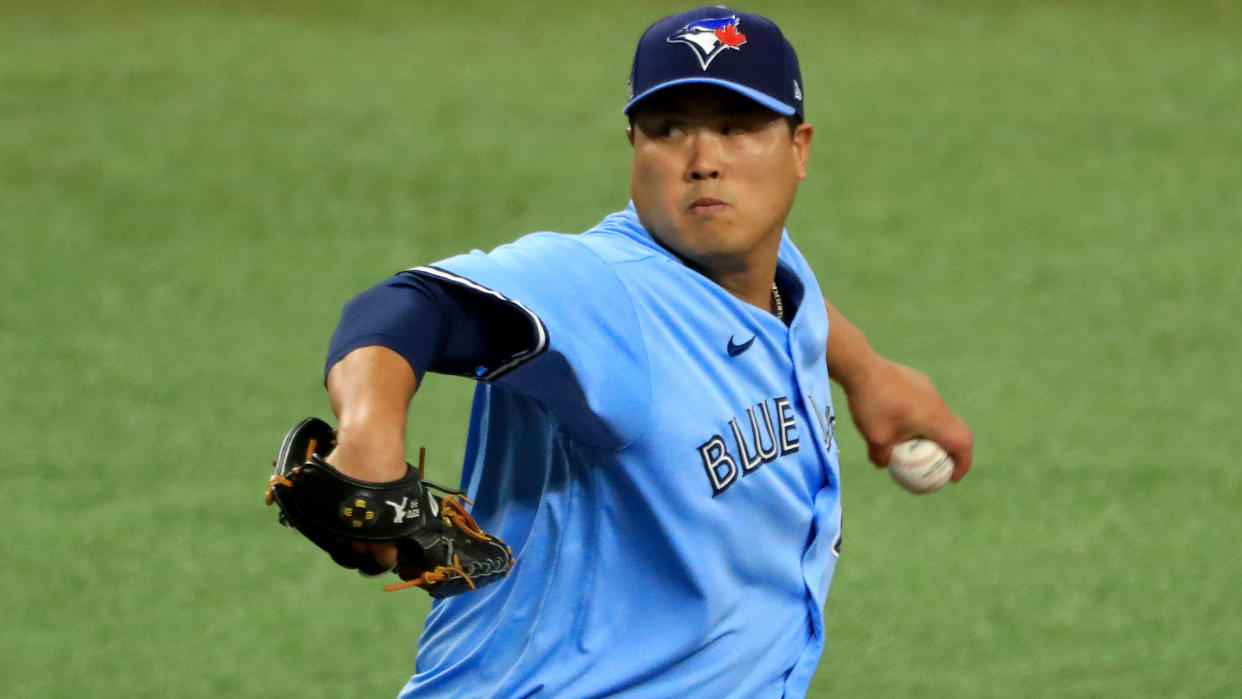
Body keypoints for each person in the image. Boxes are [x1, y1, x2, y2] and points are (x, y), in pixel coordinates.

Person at [321, 7, 973, 698]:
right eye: (670, 130)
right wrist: (368, 433)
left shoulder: (757, 258)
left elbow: (788, 289)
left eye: (737, 127)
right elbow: (408, 306)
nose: (704, 162)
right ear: (634, 142)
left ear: (799, 148)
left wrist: (867, 373)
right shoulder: (605, 291)